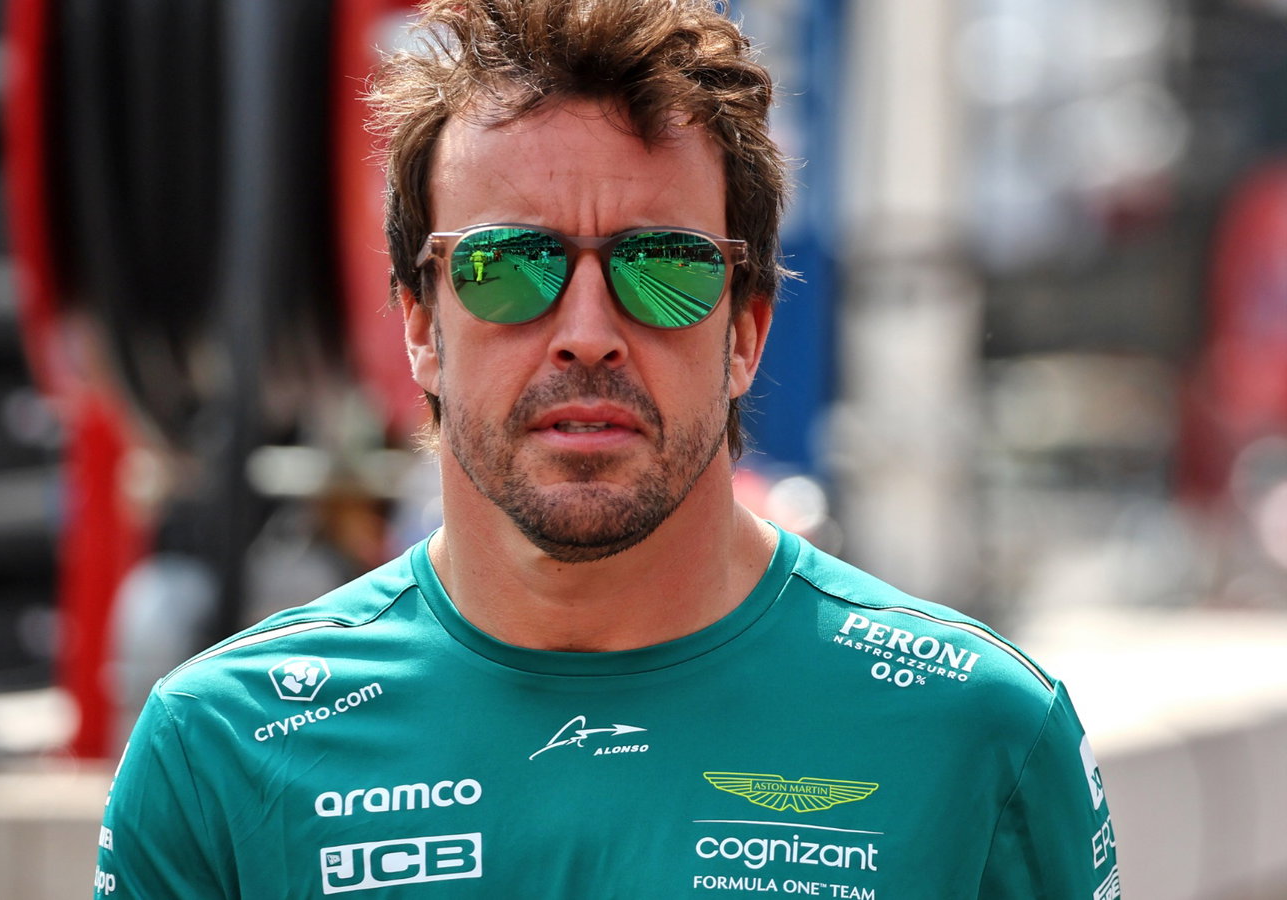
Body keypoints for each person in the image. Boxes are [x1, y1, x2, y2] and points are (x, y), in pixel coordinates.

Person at [94, 1, 1118, 897]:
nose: (587, 332)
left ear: (745, 332)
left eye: (663, 266)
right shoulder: (219, 748)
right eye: (508, 265)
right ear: (419, 325)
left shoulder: (978, 734)